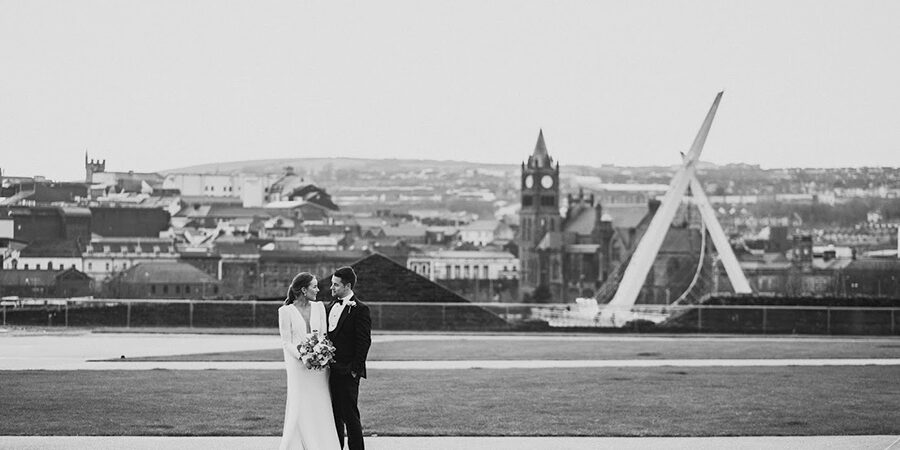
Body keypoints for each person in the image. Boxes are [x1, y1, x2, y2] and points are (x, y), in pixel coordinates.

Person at [278, 272, 340, 450]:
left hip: (319, 366)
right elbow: (286, 341)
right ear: (304, 290)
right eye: (314, 286)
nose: (318, 289)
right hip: (298, 366)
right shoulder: (285, 311)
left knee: (320, 401)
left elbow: (324, 335)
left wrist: (322, 353)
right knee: (299, 402)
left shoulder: (319, 307)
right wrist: (302, 356)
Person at [327, 266, 372, 450]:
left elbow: (364, 342)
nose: (331, 288)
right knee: (334, 415)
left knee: (350, 416)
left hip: (348, 372)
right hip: (329, 371)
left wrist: (354, 369)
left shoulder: (360, 309)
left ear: (347, 286)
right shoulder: (329, 306)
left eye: (335, 285)